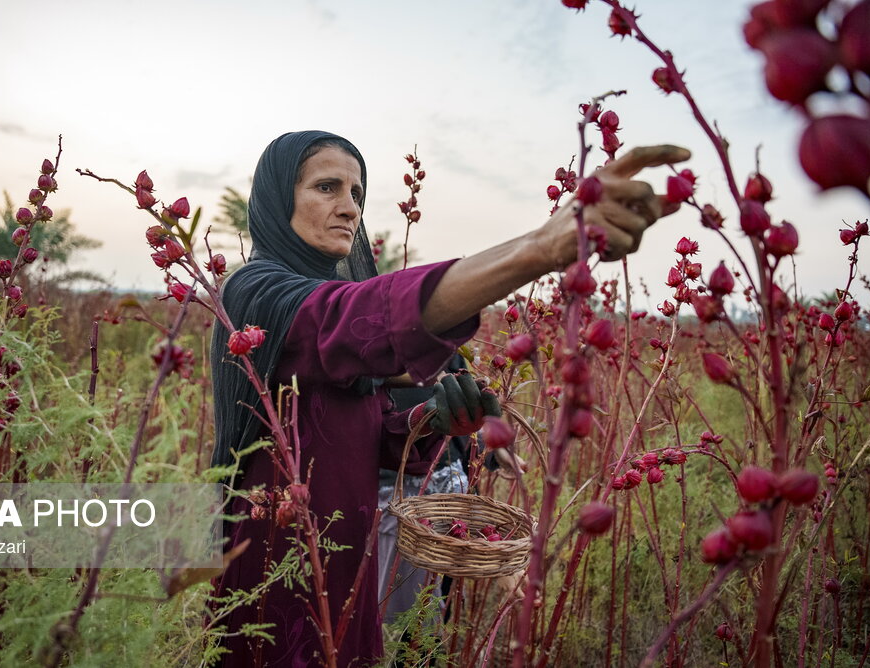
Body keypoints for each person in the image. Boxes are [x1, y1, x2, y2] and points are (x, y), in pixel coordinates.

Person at [210, 130, 689, 666]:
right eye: (327, 187)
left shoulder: (320, 297)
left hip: (345, 569)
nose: (349, 209)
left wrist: (430, 422)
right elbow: (354, 317)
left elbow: (357, 444)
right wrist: (540, 248)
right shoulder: (255, 293)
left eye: (358, 194)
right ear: (279, 199)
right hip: (282, 568)